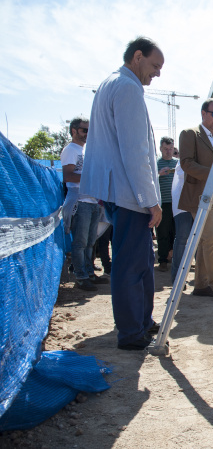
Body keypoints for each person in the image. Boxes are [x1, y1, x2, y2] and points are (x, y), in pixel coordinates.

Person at [80, 37, 163, 350]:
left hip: (118, 191)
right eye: (155, 66)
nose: (157, 74)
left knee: (140, 260)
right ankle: (131, 332)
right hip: (130, 194)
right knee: (131, 266)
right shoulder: (127, 88)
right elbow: (136, 151)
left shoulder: (110, 84)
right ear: (137, 57)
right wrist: (151, 200)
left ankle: (141, 321)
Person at [178, 99, 213, 301]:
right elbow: (186, 163)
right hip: (199, 196)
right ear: (203, 113)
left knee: (204, 242)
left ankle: (201, 285)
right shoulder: (190, 133)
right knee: (211, 239)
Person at [60, 116, 110, 291]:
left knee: (90, 242)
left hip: (92, 201)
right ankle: (80, 276)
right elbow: (67, 176)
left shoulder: (83, 151)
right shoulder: (70, 150)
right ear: (74, 131)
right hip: (80, 202)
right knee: (80, 242)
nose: (87, 134)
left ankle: (89, 273)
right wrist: (91, 179)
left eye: (89, 130)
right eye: (84, 130)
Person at [156, 136, 177, 272]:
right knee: (162, 231)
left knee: (176, 232)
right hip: (162, 203)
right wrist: (158, 174)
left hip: (176, 203)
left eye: (170, 149)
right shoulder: (156, 164)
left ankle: (173, 256)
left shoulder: (178, 163)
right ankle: (163, 259)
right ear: (160, 149)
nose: (168, 152)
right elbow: (150, 181)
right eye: (165, 149)